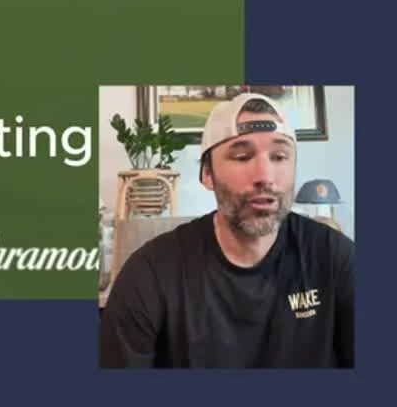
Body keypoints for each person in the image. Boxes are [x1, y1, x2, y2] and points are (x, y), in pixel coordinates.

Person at [100, 92, 354, 368]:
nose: (266, 176)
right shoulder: (149, 275)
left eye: (279, 156)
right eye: (243, 157)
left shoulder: (334, 259)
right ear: (208, 174)